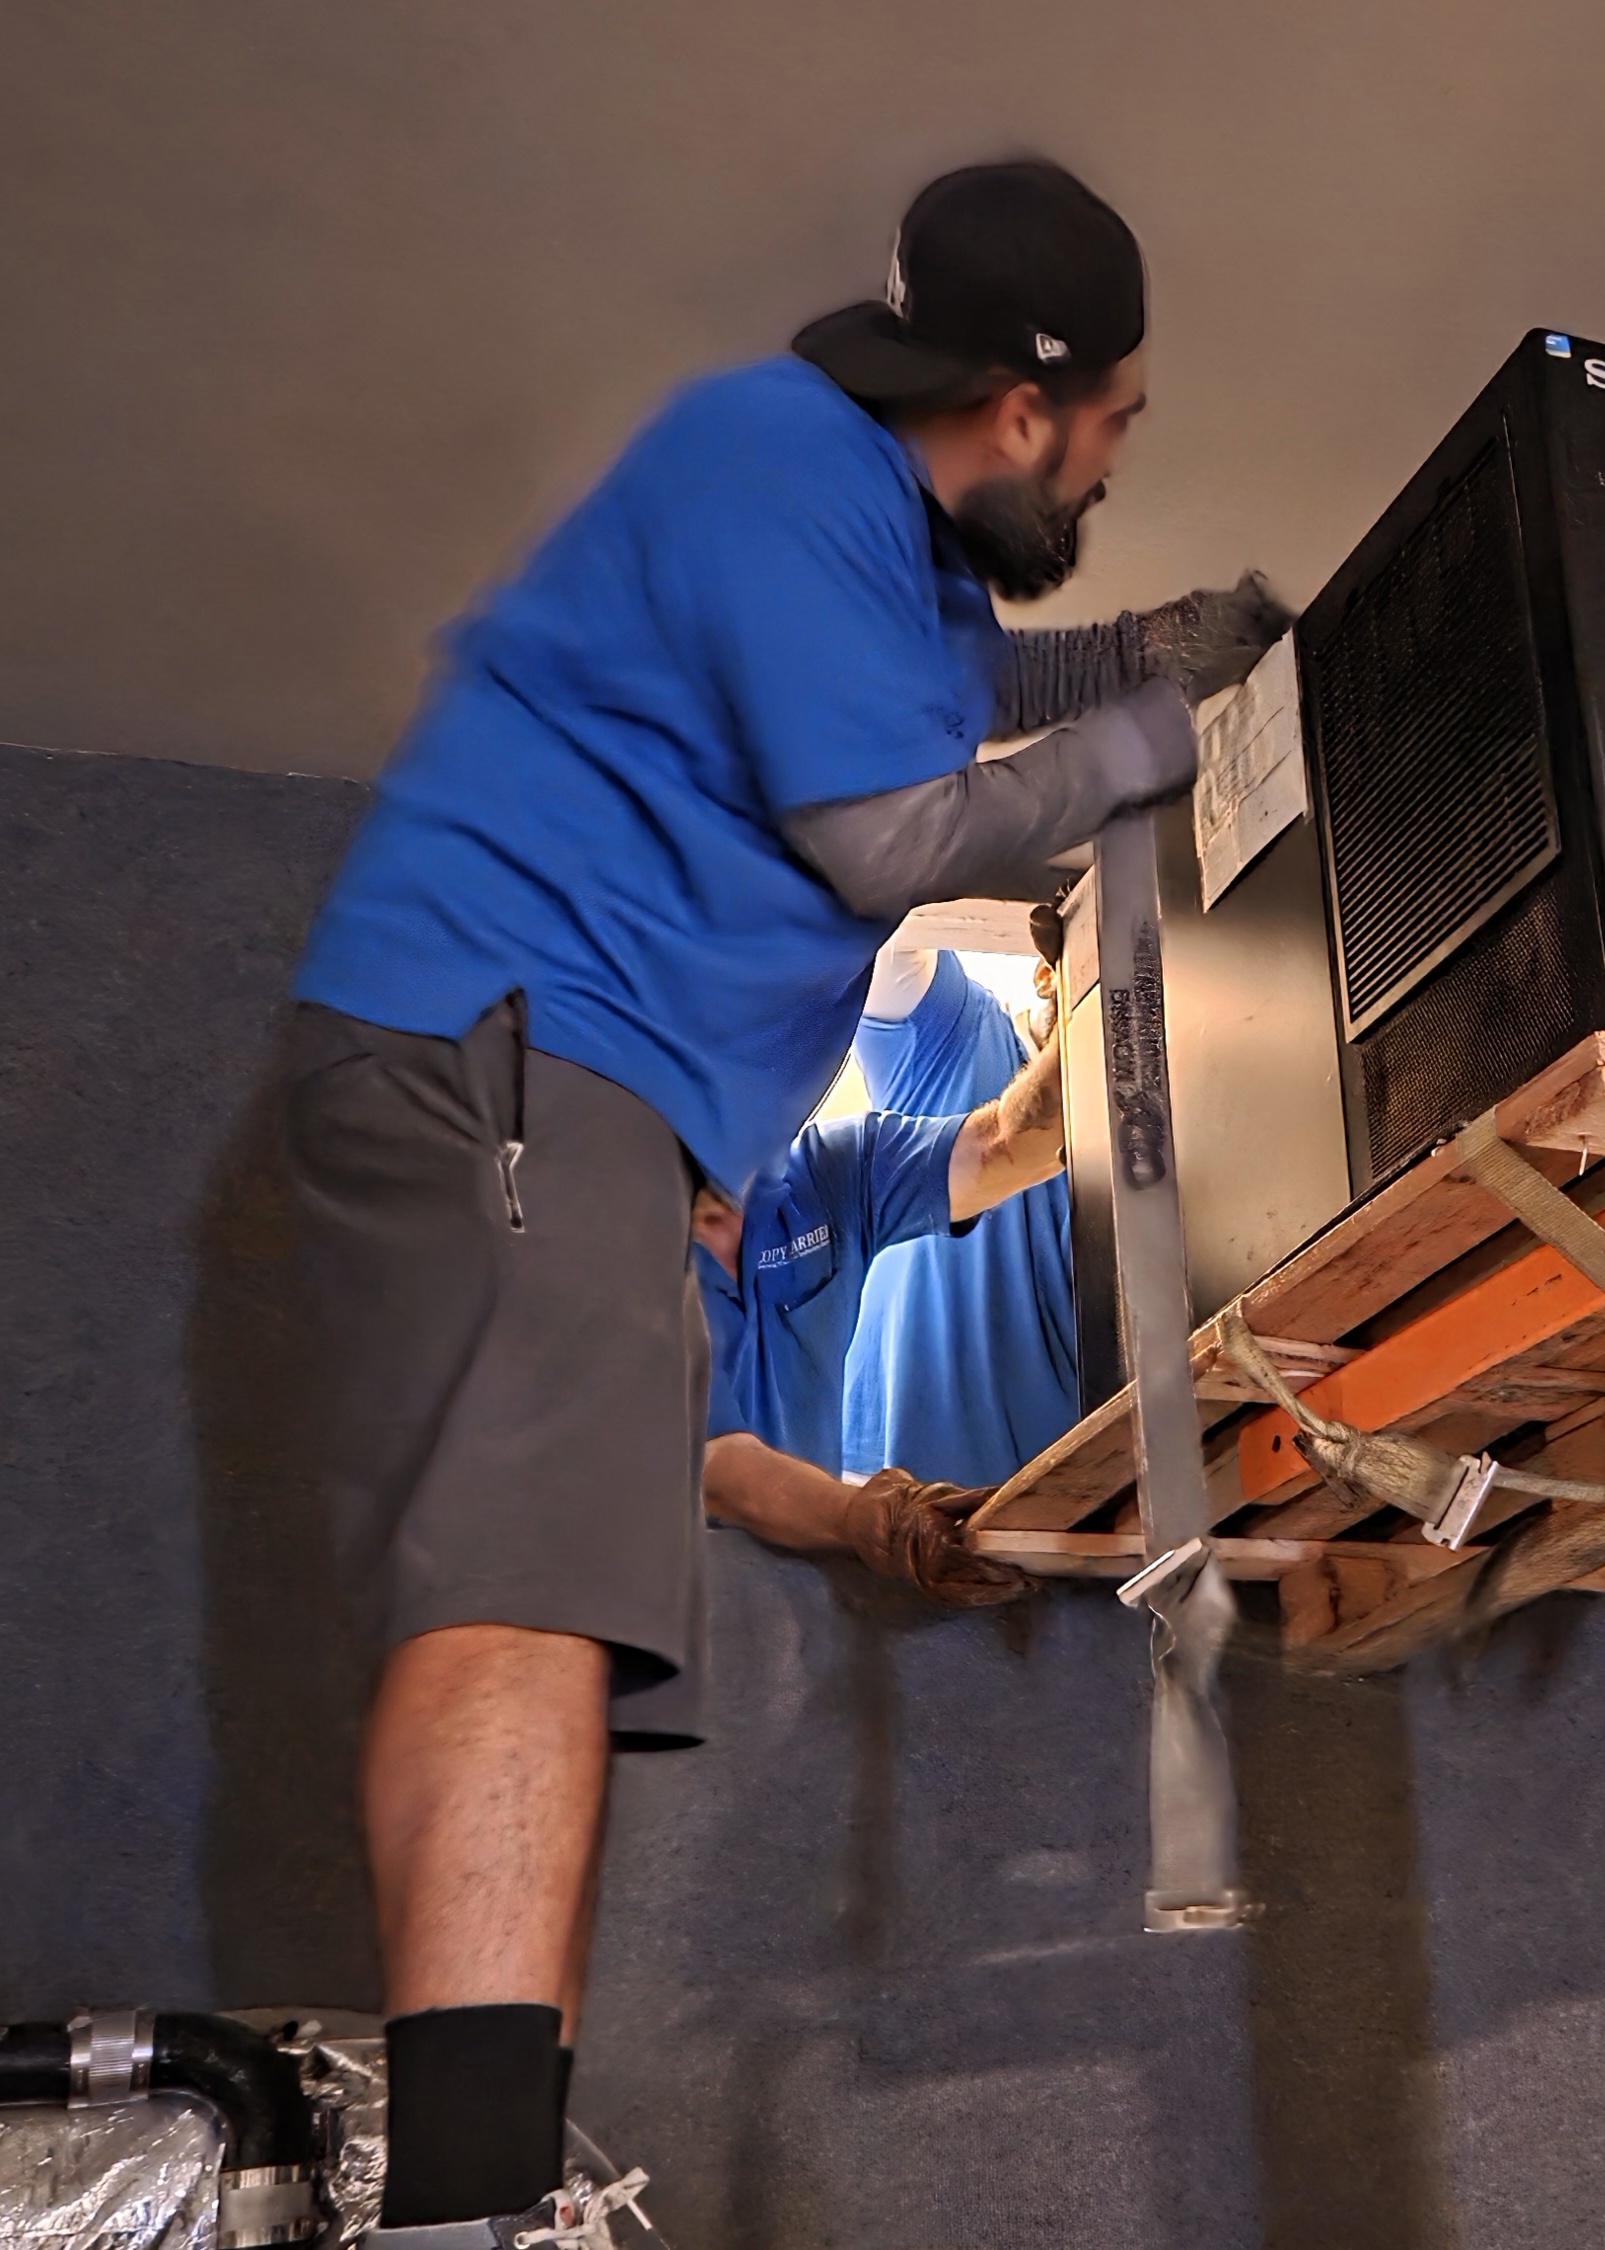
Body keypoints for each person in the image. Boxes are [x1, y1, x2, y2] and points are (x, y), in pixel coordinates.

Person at [281, 157, 1287, 2245]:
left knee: (542, 1615)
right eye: (1115, 420)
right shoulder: (772, 452)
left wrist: (1144, 652)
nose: (1114, 454)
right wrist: (1136, 740)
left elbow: (953, 710)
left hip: (568, 1097)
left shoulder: (889, 566)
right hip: (516, 1047)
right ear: (1027, 412)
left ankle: (475, 2187)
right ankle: (468, 2219)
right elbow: (881, 833)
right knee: (522, 1612)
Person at [688, 1033, 1064, 1605]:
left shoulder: (826, 1175)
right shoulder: (598, 1238)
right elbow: (715, 1466)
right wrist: (856, 1516)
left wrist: (1097, 1005)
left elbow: (1002, 1145)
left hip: (800, 1600)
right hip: (658, 1605)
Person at [840, 939, 1080, 1490]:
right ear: (1047, 975)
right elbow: (887, 928)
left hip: (1049, 1525)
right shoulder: (953, 1035)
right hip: (876, 1491)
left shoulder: (1164, 1141)